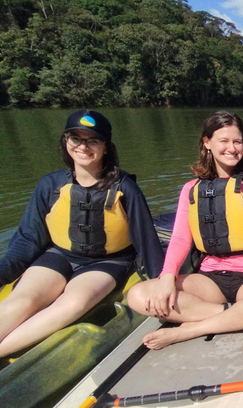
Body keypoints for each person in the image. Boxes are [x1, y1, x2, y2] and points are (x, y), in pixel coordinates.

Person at [0, 110, 164, 358]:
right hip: (58, 256)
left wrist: (161, 282)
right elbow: (27, 240)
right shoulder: (50, 185)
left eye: (92, 140)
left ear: (106, 147)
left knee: (74, 303)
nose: (83, 146)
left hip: (107, 262)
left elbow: (146, 240)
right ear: (66, 142)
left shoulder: (125, 187)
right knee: (23, 299)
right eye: (75, 138)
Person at [126, 111, 243, 349]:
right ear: (207, 143)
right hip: (210, 279)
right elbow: (182, 238)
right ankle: (233, 314)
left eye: (237, 142)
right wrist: (166, 278)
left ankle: (190, 329)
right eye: (223, 141)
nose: (232, 148)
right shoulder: (190, 189)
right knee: (138, 295)